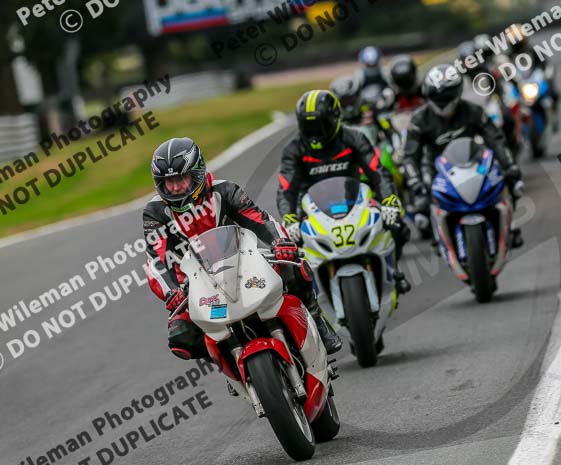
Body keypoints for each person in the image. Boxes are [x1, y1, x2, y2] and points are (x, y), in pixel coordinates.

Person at [143, 137, 343, 361]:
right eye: (169, 182)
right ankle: (227, 360)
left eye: (181, 178)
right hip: (194, 283)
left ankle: (316, 317)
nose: (176, 187)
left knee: (294, 266)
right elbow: (157, 258)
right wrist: (171, 291)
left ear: (197, 173)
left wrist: (280, 242)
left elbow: (259, 219)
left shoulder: (225, 190)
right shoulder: (155, 212)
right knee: (181, 338)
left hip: (243, 263)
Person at [275, 89, 412, 293]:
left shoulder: (354, 138)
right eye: (308, 126)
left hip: (354, 198)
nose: (315, 132)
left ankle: (395, 271)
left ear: (335, 119)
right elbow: (286, 189)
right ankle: (308, 298)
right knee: (289, 251)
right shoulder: (293, 149)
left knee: (398, 225)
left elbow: (378, 172)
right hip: (310, 207)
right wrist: (289, 218)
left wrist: (390, 200)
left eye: (320, 125)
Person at [403, 65, 525, 248]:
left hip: (474, 161)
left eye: (447, 95)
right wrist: (415, 181)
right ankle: (439, 234)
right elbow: (410, 156)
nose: (442, 101)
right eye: (437, 97)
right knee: (421, 203)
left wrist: (509, 165)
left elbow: (496, 140)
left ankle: (510, 224)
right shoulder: (418, 120)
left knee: (509, 180)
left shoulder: (474, 111)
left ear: (458, 91)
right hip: (436, 168)